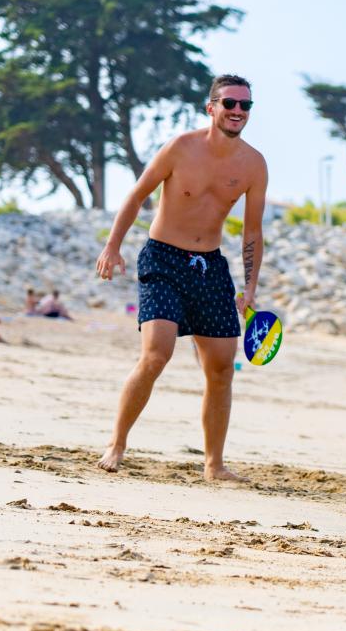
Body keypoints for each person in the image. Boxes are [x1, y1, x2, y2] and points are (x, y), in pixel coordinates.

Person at [94, 74, 268, 481]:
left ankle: (214, 465)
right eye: (230, 103)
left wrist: (250, 288)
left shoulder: (253, 165)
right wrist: (112, 246)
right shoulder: (180, 148)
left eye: (246, 105)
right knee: (156, 355)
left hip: (209, 267)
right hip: (163, 260)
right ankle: (116, 444)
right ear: (211, 108)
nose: (238, 111)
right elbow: (137, 195)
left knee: (222, 368)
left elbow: (252, 231)